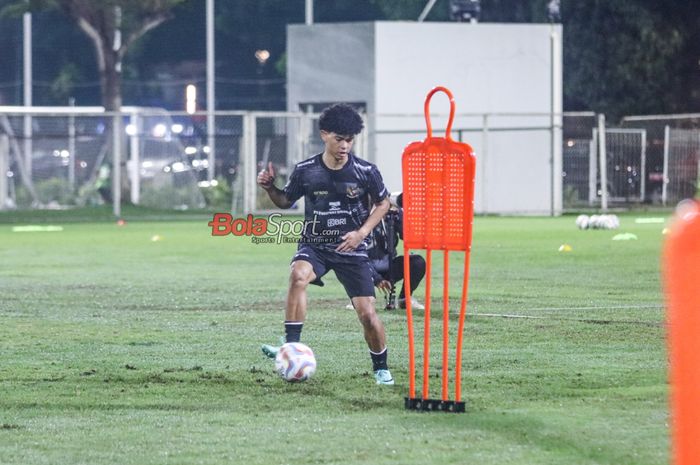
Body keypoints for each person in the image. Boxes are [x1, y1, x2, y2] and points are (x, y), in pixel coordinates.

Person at [256, 103, 394, 385]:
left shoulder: (366, 171)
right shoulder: (306, 170)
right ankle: (291, 348)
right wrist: (270, 187)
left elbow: (383, 203)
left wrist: (361, 233)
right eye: (339, 139)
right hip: (315, 244)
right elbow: (285, 201)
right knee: (298, 276)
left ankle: (381, 367)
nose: (345, 146)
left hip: (352, 250)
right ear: (324, 135)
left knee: (367, 314)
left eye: (350, 140)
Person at [347, 193, 426, 311]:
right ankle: (358, 297)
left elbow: (408, 237)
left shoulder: (392, 215)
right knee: (356, 266)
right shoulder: (358, 216)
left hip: (389, 265)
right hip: (363, 266)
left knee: (417, 262)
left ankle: (404, 299)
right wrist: (377, 278)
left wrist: (399, 216)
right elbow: (354, 254)